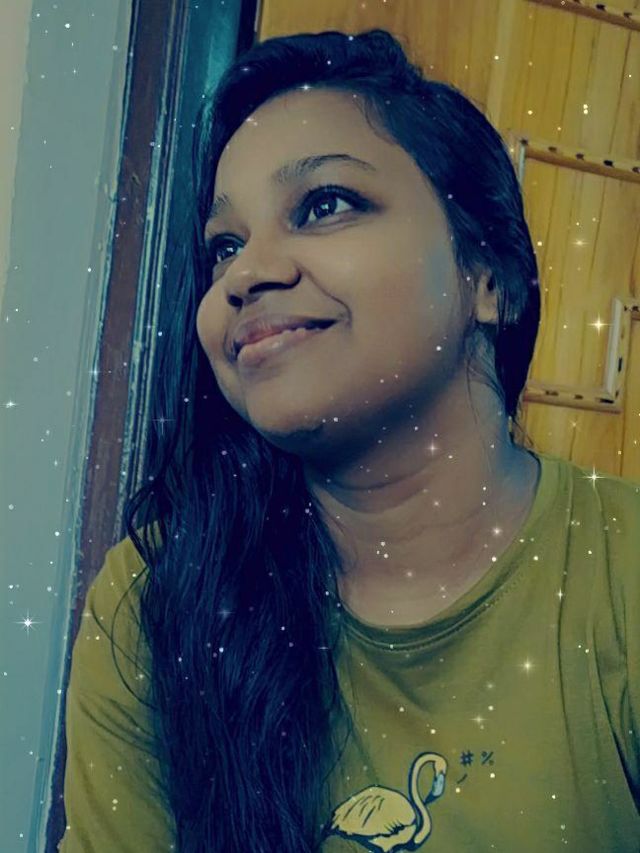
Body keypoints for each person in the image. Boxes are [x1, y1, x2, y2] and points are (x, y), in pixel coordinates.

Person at [58, 28, 640, 853]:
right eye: (225, 245)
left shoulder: (620, 575)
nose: (245, 274)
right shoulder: (152, 600)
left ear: (488, 278)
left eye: (325, 204)